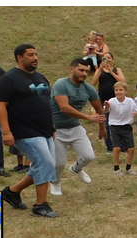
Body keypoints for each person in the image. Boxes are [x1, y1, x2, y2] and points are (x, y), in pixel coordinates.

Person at [0, 45, 58, 217]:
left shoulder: (40, 77)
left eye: (36, 54)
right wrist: (6, 132)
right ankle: (41, 206)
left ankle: (12, 192)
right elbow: (0, 105)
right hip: (24, 131)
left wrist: (52, 127)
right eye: (30, 55)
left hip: (45, 130)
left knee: (45, 165)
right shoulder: (9, 79)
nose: (35, 57)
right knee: (44, 164)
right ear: (19, 57)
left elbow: (46, 104)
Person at [49, 57, 105, 196]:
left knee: (88, 156)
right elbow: (64, 108)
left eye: (87, 71)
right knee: (59, 163)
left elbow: (99, 110)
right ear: (72, 69)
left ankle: (76, 169)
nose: (84, 74)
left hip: (75, 127)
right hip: (56, 129)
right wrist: (87, 117)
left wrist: (102, 127)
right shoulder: (61, 84)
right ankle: (55, 183)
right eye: (81, 70)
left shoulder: (89, 89)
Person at [88, 52, 124, 152]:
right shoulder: (99, 71)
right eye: (104, 58)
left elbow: (122, 81)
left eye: (108, 58)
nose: (107, 59)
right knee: (106, 122)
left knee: (118, 121)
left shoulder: (117, 70)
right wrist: (100, 69)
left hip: (116, 99)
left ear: (112, 59)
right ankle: (109, 145)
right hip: (103, 99)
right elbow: (93, 82)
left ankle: (121, 144)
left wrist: (111, 72)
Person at [106, 82, 137, 175]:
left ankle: (128, 167)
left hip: (126, 127)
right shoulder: (111, 101)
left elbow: (136, 109)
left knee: (131, 148)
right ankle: (116, 168)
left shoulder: (130, 101)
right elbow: (105, 110)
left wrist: (135, 112)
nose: (118, 92)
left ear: (125, 91)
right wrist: (106, 107)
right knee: (117, 148)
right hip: (114, 126)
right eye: (116, 90)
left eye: (120, 90)